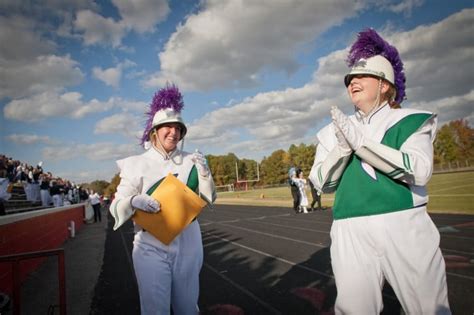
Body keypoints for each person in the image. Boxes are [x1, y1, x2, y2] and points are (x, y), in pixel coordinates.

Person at [309, 29, 450, 314]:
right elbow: (322, 183)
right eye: (349, 79)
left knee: (428, 307)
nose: (352, 82)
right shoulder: (332, 130)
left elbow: (419, 170)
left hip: (403, 224)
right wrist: (342, 148)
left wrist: (361, 143)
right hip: (349, 229)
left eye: (362, 77)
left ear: (385, 85)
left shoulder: (411, 120)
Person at [109, 84, 216, 314]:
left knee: (188, 308)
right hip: (150, 245)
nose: (173, 132)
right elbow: (116, 206)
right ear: (154, 131)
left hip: (188, 242)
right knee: (154, 310)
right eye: (167, 126)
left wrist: (205, 173)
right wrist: (133, 201)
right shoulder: (134, 164)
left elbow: (209, 197)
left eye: (178, 127)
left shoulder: (192, 160)